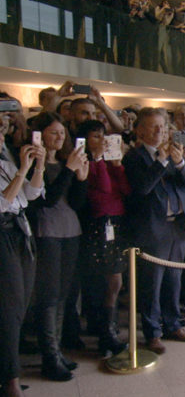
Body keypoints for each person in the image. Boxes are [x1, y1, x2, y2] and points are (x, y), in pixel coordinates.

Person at [122, 108, 185, 355]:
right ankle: (152, 332)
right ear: (140, 130)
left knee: (174, 280)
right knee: (151, 284)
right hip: (152, 228)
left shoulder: (174, 154)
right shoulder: (134, 157)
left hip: (177, 225)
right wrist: (162, 160)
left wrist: (180, 163)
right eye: (154, 127)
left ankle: (173, 324)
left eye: (163, 127)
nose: (160, 132)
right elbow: (143, 187)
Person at [29, 112, 89, 381]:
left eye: (62, 133)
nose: (59, 137)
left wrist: (82, 177)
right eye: (54, 132)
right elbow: (48, 199)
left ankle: (58, 350)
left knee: (65, 294)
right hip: (47, 231)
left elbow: (76, 202)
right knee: (49, 296)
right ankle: (49, 356)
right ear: (40, 134)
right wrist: (68, 171)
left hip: (70, 229)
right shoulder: (34, 162)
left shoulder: (67, 161)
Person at [78, 120, 130, 355]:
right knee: (107, 282)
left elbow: (125, 190)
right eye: (95, 137)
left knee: (115, 281)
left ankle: (107, 332)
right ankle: (105, 333)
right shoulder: (84, 162)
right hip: (98, 223)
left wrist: (117, 165)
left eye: (103, 136)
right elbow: (105, 187)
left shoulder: (109, 162)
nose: (101, 141)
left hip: (116, 223)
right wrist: (98, 160)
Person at [0, 124, 45, 397]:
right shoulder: (13, 165)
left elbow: (30, 194)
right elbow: (3, 202)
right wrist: (21, 171)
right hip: (3, 233)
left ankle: (9, 374)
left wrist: (38, 165)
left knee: (20, 305)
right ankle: (11, 379)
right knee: (9, 308)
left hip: (20, 232)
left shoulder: (7, 157)